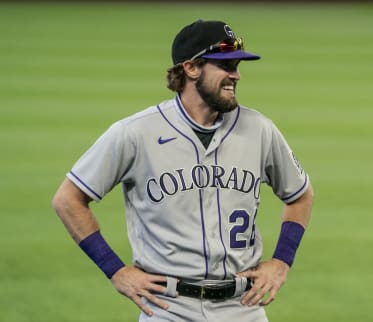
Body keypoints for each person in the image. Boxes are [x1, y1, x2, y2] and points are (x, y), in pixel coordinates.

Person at [52, 19, 314, 322]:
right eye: (226, 65)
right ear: (191, 68)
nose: (236, 75)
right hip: (169, 308)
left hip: (244, 307)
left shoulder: (259, 130)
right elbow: (68, 199)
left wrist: (281, 261)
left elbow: (300, 196)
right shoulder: (136, 133)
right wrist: (117, 270)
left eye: (237, 66)